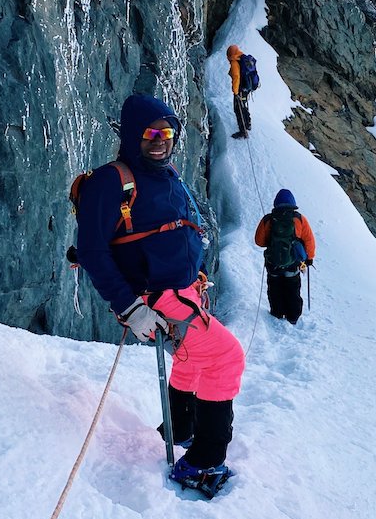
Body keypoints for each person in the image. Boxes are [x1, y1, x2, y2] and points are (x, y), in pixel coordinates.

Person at [74, 93, 245, 497]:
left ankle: (180, 428)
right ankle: (203, 463)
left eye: (167, 132)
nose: (160, 140)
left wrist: (196, 272)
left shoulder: (166, 175)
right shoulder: (111, 181)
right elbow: (92, 251)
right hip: (154, 299)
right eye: (151, 132)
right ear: (134, 135)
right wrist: (130, 308)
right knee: (225, 356)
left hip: (183, 291)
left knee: (192, 359)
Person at [254, 189, 317, 324]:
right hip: (293, 262)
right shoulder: (299, 219)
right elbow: (309, 240)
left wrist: (272, 243)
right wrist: (309, 258)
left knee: (274, 287)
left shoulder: (268, 219)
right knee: (292, 288)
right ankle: (293, 316)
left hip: (273, 262)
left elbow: (259, 241)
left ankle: (277, 312)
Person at [226, 44, 258, 139]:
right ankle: (248, 123)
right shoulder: (243, 58)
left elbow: (236, 77)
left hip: (240, 89)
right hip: (246, 88)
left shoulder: (235, 63)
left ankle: (243, 131)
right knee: (243, 105)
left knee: (238, 108)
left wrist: (235, 92)